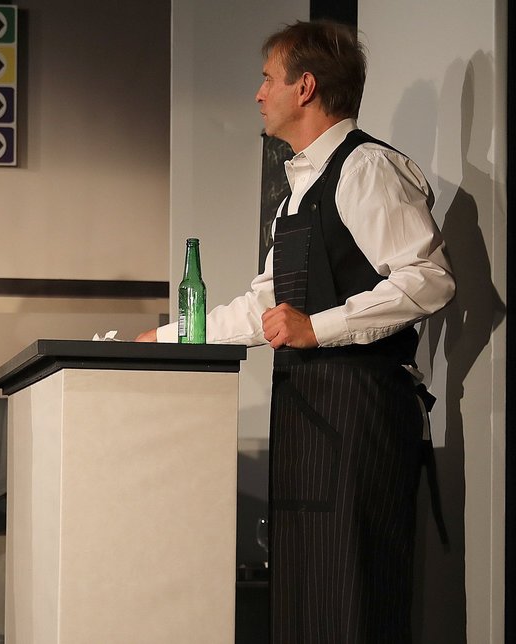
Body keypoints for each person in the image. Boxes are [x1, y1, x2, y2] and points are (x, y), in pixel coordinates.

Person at [137, 21, 454, 643]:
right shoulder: (297, 190)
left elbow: (429, 278)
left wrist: (320, 327)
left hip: (360, 414)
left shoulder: (366, 168)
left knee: (353, 596)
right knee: (304, 597)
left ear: (304, 87)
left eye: (267, 79)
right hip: (309, 416)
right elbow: (265, 306)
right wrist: (167, 339)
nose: (258, 94)